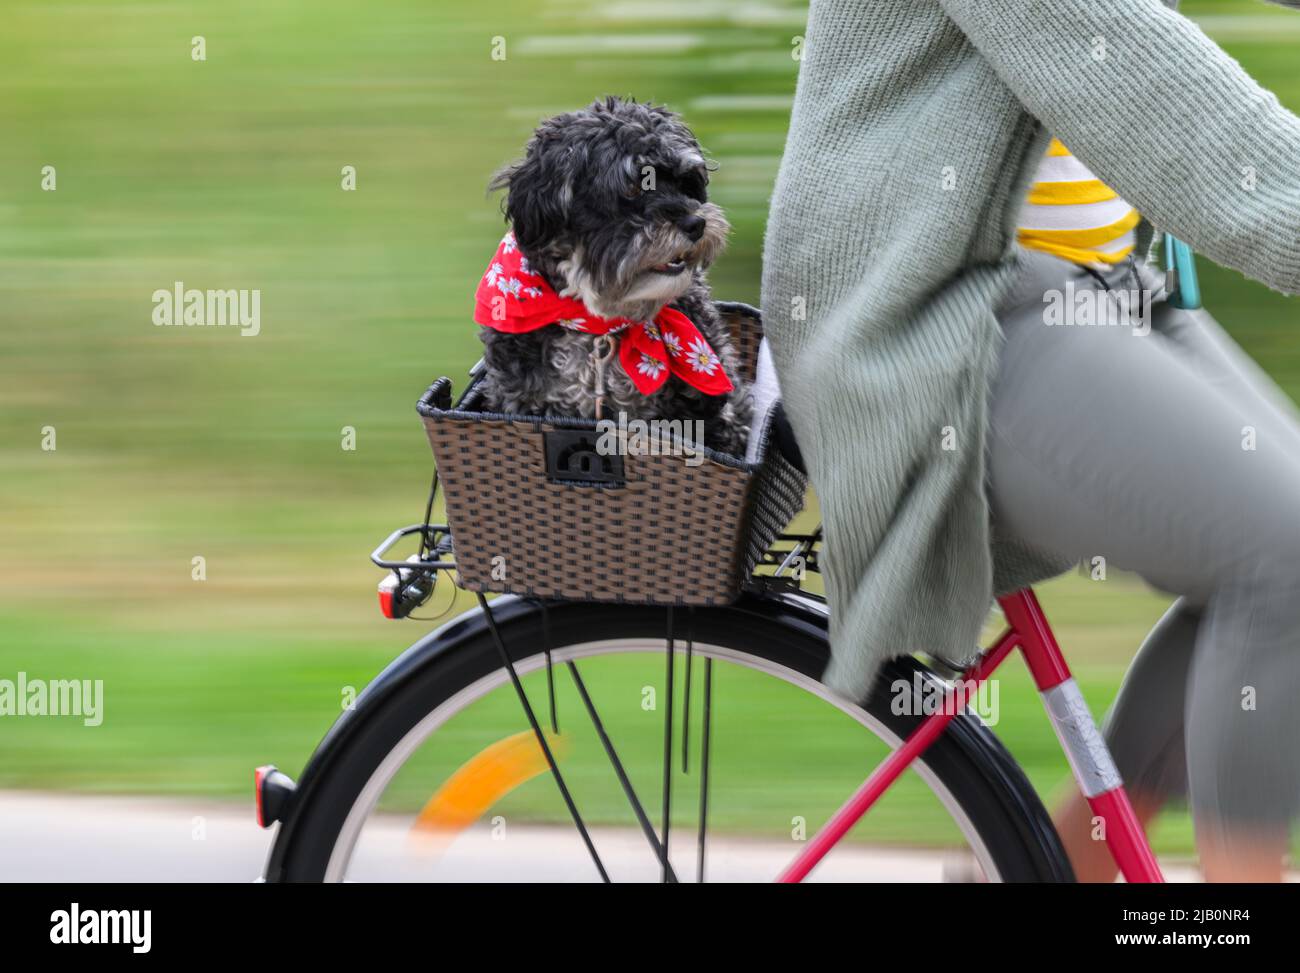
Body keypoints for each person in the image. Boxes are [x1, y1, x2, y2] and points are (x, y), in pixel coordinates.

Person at [762, 0, 1300, 881]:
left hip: (1103, 289)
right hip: (941, 325)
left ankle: (1061, 869)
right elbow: (1155, 89)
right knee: (1283, 553)